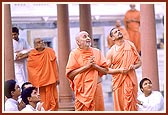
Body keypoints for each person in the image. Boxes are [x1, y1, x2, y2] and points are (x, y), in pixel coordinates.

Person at [66, 31, 108, 111]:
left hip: (96, 88)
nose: (88, 38)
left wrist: (95, 66)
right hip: (82, 91)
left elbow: (105, 71)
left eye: (88, 36)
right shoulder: (74, 54)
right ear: (78, 42)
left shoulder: (97, 52)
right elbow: (70, 75)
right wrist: (86, 67)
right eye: (84, 37)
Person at [106, 28, 142, 111]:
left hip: (130, 79)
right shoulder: (111, 52)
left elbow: (139, 63)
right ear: (113, 38)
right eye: (115, 32)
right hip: (118, 82)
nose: (118, 32)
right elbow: (106, 70)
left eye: (119, 31)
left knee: (131, 104)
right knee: (121, 105)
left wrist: (134, 66)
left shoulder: (130, 45)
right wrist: (119, 70)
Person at [27, 38, 60, 111]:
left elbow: (55, 64)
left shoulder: (50, 51)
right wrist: (35, 80)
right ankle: (44, 110)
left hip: (50, 78)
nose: (42, 43)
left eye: (42, 41)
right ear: (35, 45)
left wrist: (57, 77)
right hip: (40, 81)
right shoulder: (32, 54)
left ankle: (52, 110)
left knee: (52, 98)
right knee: (41, 98)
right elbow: (31, 67)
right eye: (39, 42)